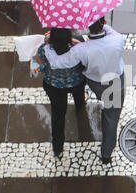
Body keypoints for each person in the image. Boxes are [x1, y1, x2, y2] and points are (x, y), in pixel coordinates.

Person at [44, 18, 126, 165]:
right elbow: (108, 30)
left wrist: (46, 46)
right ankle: (106, 154)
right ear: (104, 22)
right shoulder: (118, 39)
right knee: (112, 117)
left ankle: (58, 149)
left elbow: (57, 62)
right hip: (115, 83)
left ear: (87, 28)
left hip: (94, 82)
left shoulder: (81, 49)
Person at [35, 28, 87, 159]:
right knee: (79, 96)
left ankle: (57, 148)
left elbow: (40, 62)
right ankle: (80, 106)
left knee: (58, 116)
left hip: (54, 86)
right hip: (76, 82)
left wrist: (47, 41)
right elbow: (86, 59)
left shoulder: (44, 48)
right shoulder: (78, 44)